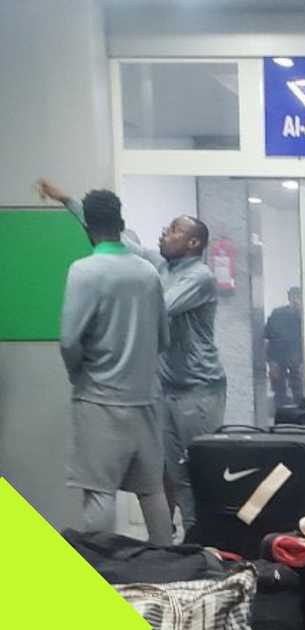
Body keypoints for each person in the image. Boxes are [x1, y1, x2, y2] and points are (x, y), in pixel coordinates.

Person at [41, 178, 227, 534]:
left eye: (172, 230)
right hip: (159, 391)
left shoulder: (198, 277)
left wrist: (81, 369)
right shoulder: (154, 268)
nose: (163, 234)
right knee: (163, 479)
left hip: (198, 392)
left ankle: (201, 545)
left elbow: (156, 308)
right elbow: (113, 238)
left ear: (193, 243)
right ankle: (173, 551)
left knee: (195, 476)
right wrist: (68, 199)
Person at [51, 187, 173, 545]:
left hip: (99, 400)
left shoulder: (84, 271)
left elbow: (69, 340)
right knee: (152, 492)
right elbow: (164, 338)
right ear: (121, 224)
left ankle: (102, 576)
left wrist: (79, 375)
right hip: (146, 400)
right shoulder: (148, 273)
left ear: (87, 227)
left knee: (100, 491)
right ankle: (168, 569)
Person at [264, 286, 305, 409]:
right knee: (279, 392)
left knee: (300, 392)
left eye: (299, 297)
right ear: (289, 297)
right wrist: (270, 361)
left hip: (298, 359)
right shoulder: (277, 314)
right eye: (293, 296)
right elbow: (267, 336)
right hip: (278, 358)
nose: (296, 300)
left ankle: (302, 417)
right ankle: (281, 416)